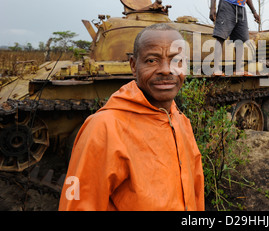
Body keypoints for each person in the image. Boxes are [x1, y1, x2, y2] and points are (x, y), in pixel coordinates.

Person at [59, 24, 204, 211]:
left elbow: (196, 194)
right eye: (152, 61)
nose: (166, 70)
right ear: (134, 66)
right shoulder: (104, 128)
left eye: (176, 61)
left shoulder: (181, 122)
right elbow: (77, 204)